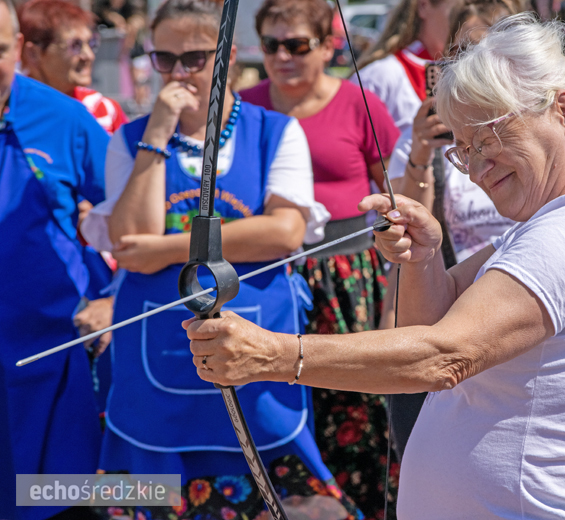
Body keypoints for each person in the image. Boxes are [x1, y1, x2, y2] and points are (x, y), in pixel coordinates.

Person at [186, 14, 565, 518]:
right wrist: (423, 261)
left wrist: (272, 355)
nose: (478, 167)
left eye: (487, 139)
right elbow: (431, 327)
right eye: (463, 150)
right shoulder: (557, 222)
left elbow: (445, 356)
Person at [79, 0, 364, 518]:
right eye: (164, 59)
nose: (179, 72)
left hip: (252, 337)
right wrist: (158, 134)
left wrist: (166, 249)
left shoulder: (276, 131)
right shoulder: (129, 139)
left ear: (228, 57)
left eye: (194, 57)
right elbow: (128, 239)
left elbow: (284, 231)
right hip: (155, 347)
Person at [239, 0, 400, 516]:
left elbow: (395, 195)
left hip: (348, 276)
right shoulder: (244, 106)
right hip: (267, 275)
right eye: (271, 45)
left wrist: (398, 284)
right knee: (277, 406)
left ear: (329, 46)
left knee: (354, 403)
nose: (283, 57)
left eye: (297, 45)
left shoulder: (361, 105)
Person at [383, 0, 519, 460]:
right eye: (459, 56)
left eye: (484, 52)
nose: (471, 68)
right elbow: (407, 232)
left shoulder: (529, 133)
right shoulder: (433, 135)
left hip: (516, 310)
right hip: (447, 304)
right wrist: (423, 150)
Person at [0, 0, 111, 517]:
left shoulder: (65, 119)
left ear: (19, 49)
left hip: (56, 355)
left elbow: (135, 214)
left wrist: (113, 299)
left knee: (65, 499)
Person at [19, 0, 127, 135]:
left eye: (91, 42)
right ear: (33, 53)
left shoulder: (104, 112)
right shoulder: (11, 114)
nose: (89, 56)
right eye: (75, 46)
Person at [354, 0, 461, 134]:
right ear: (424, 6)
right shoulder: (379, 75)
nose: (465, 19)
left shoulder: (469, 71)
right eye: (457, 10)